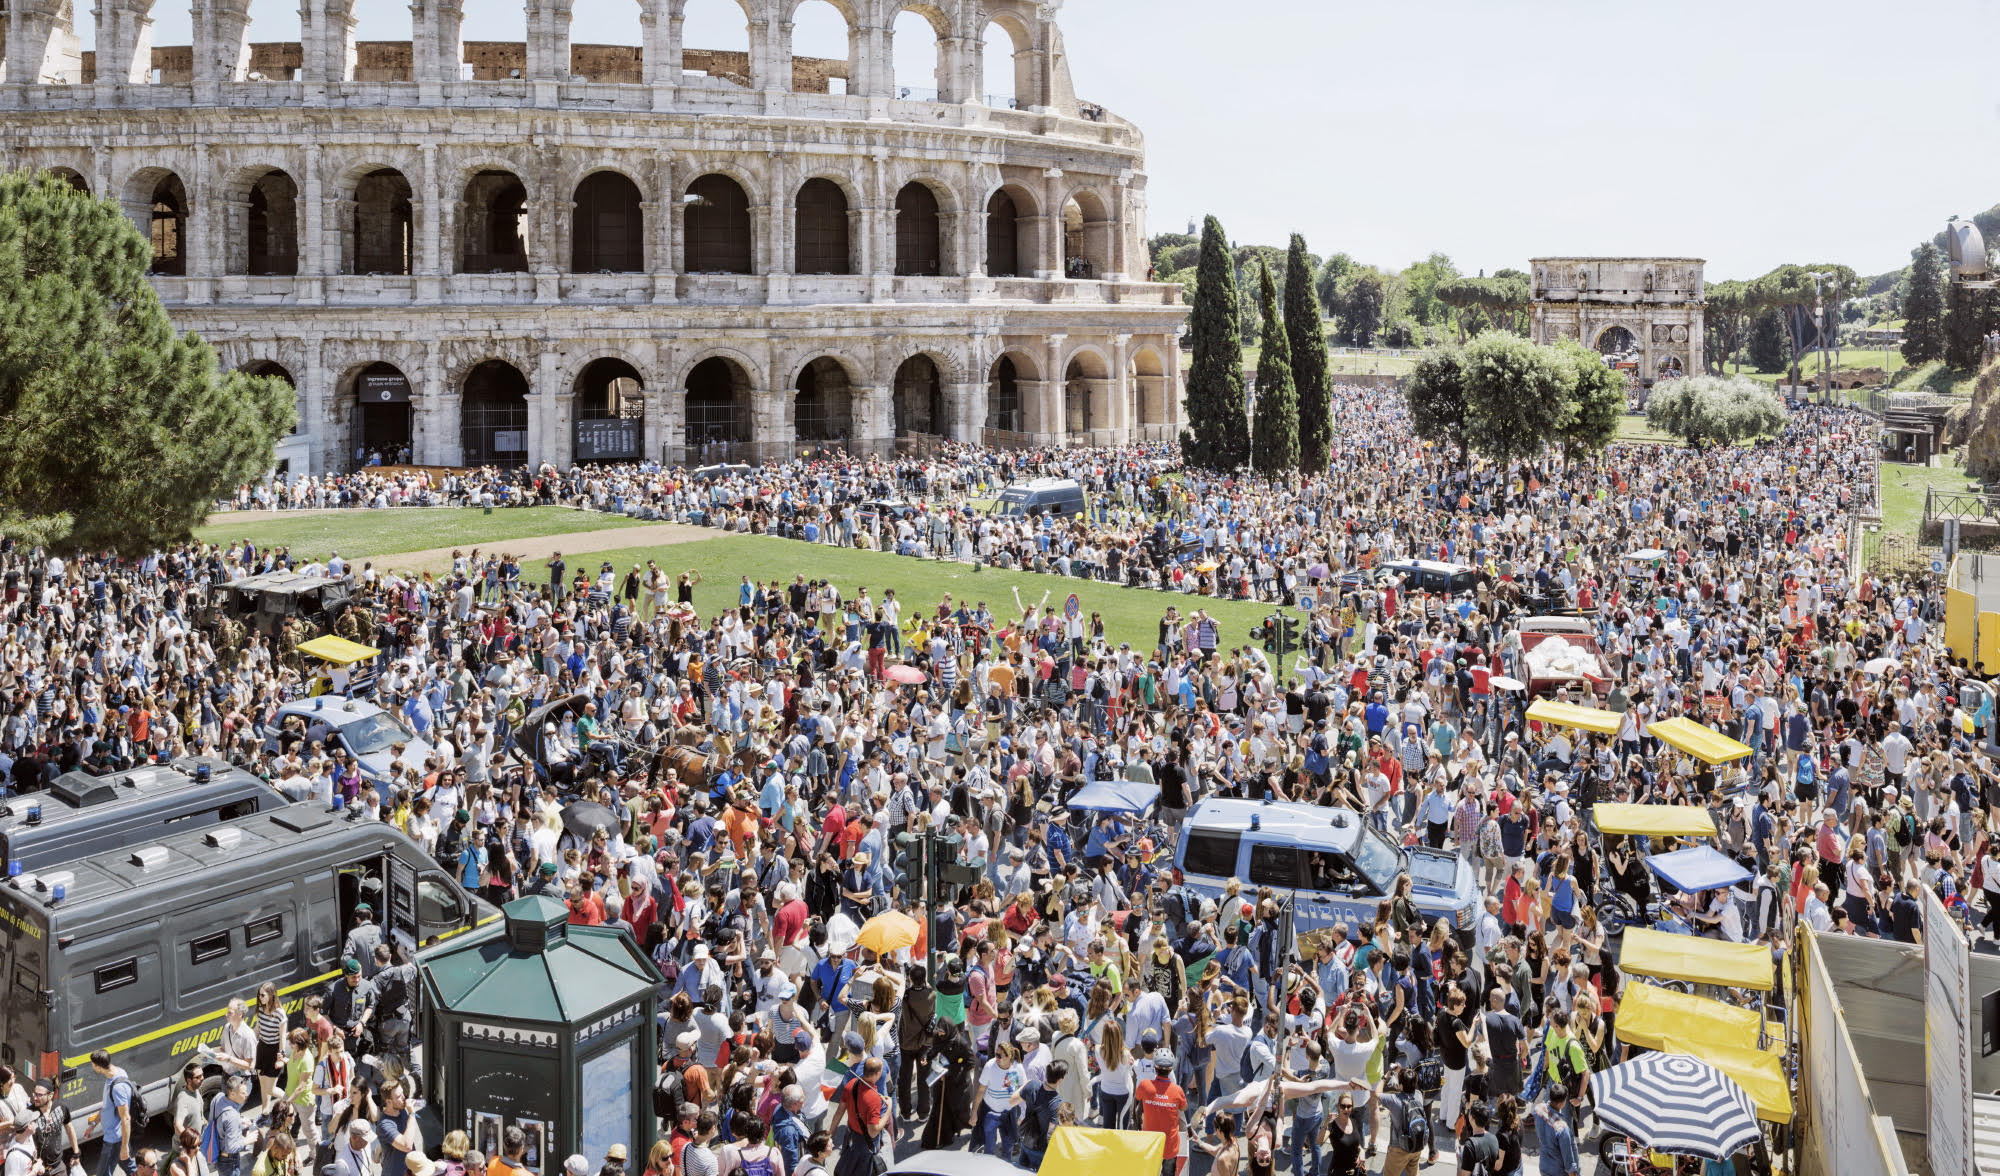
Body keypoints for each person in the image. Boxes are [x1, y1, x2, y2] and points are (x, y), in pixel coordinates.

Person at [1135, 1049, 1187, 1176]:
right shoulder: (1177, 1090)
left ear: (1155, 1067)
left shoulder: (1144, 1085)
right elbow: (1184, 1108)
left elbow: (1137, 1098)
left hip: (1150, 1143)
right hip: (1170, 1145)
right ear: (1170, 1070)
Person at [91, 1049, 139, 1176]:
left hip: (114, 1139)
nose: (92, 1067)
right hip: (117, 1135)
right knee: (128, 1165)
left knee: (103, 1174)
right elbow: (107, 1106)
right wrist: (93, 1124)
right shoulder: (119, 1072)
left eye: (93, 1064)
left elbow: (126, 1118)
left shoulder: (117, 1088)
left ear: (98, 1066)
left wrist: (124, 1147)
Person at [1533, 1086, 1581, 1176]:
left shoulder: (1538, 1110)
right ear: (1561, 1103)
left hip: (1544, 1166)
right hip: (1558, 1171)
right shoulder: (1562, 1129)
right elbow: (1569, 1163)